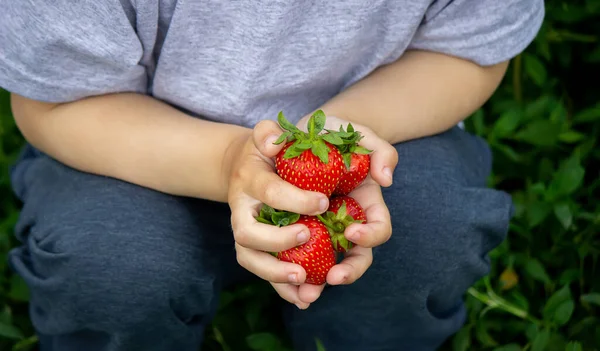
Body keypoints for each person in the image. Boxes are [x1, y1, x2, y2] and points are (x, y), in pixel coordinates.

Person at [0, 1, 544, 350]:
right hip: (132, 145)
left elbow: (466, 50)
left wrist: (335, 136)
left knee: (428, 234)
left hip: (376, 126)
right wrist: (226, 162)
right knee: (111, 267)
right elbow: (56, 103)